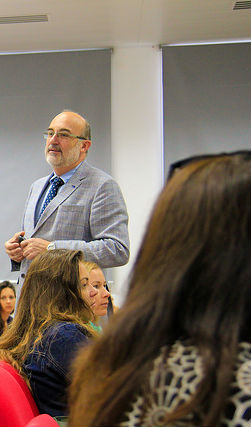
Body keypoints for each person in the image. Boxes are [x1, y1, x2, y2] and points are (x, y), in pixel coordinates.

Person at [69, 151, 251, 427]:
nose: (103, 293)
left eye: (101, 285)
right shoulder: (229, 378)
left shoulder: (113, 359)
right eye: (90, 286)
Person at [4, 110, 130, 292]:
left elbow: (117, 249)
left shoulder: (102, 185)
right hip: (30, 303)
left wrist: (53, 248)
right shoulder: (37, 187)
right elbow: (37, 244)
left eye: (63, 134)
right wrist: (18, 251)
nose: (53, 140)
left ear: (84, 145)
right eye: (50, 133)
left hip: (72, 304)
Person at [0, 249, 97, 417]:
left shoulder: (40, 334)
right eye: (84, 285)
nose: (95, 292)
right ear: (61, 293)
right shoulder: (62, 336)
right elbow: (116, 391)